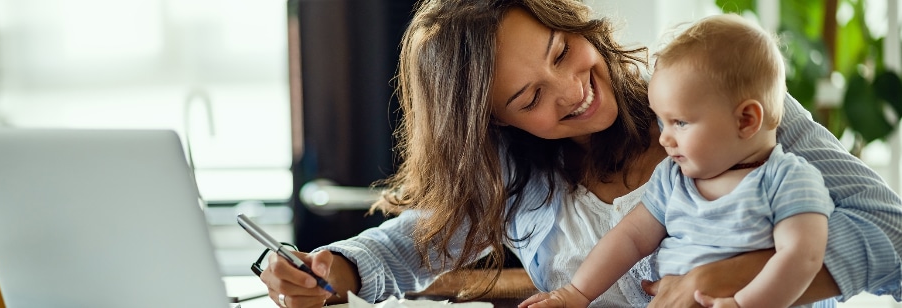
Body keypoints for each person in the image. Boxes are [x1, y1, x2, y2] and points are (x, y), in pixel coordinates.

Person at [259, 1, 902, 307]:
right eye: (530, 95)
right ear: (493, 123)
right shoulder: (517, 174)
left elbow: (893, 232)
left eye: (562, 51)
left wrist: (740, 276)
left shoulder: (713, 96)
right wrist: (327, 270)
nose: (572, 91)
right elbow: (408, 243)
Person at [518, 14, 833, 308]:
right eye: (661, 120)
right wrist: (576, 293)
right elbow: (629, 239)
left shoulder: (787, 180)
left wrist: (743, 303)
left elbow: (802, 259)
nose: (664, 137)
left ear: (746, 120)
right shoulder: (673, 178)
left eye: (679, 123)